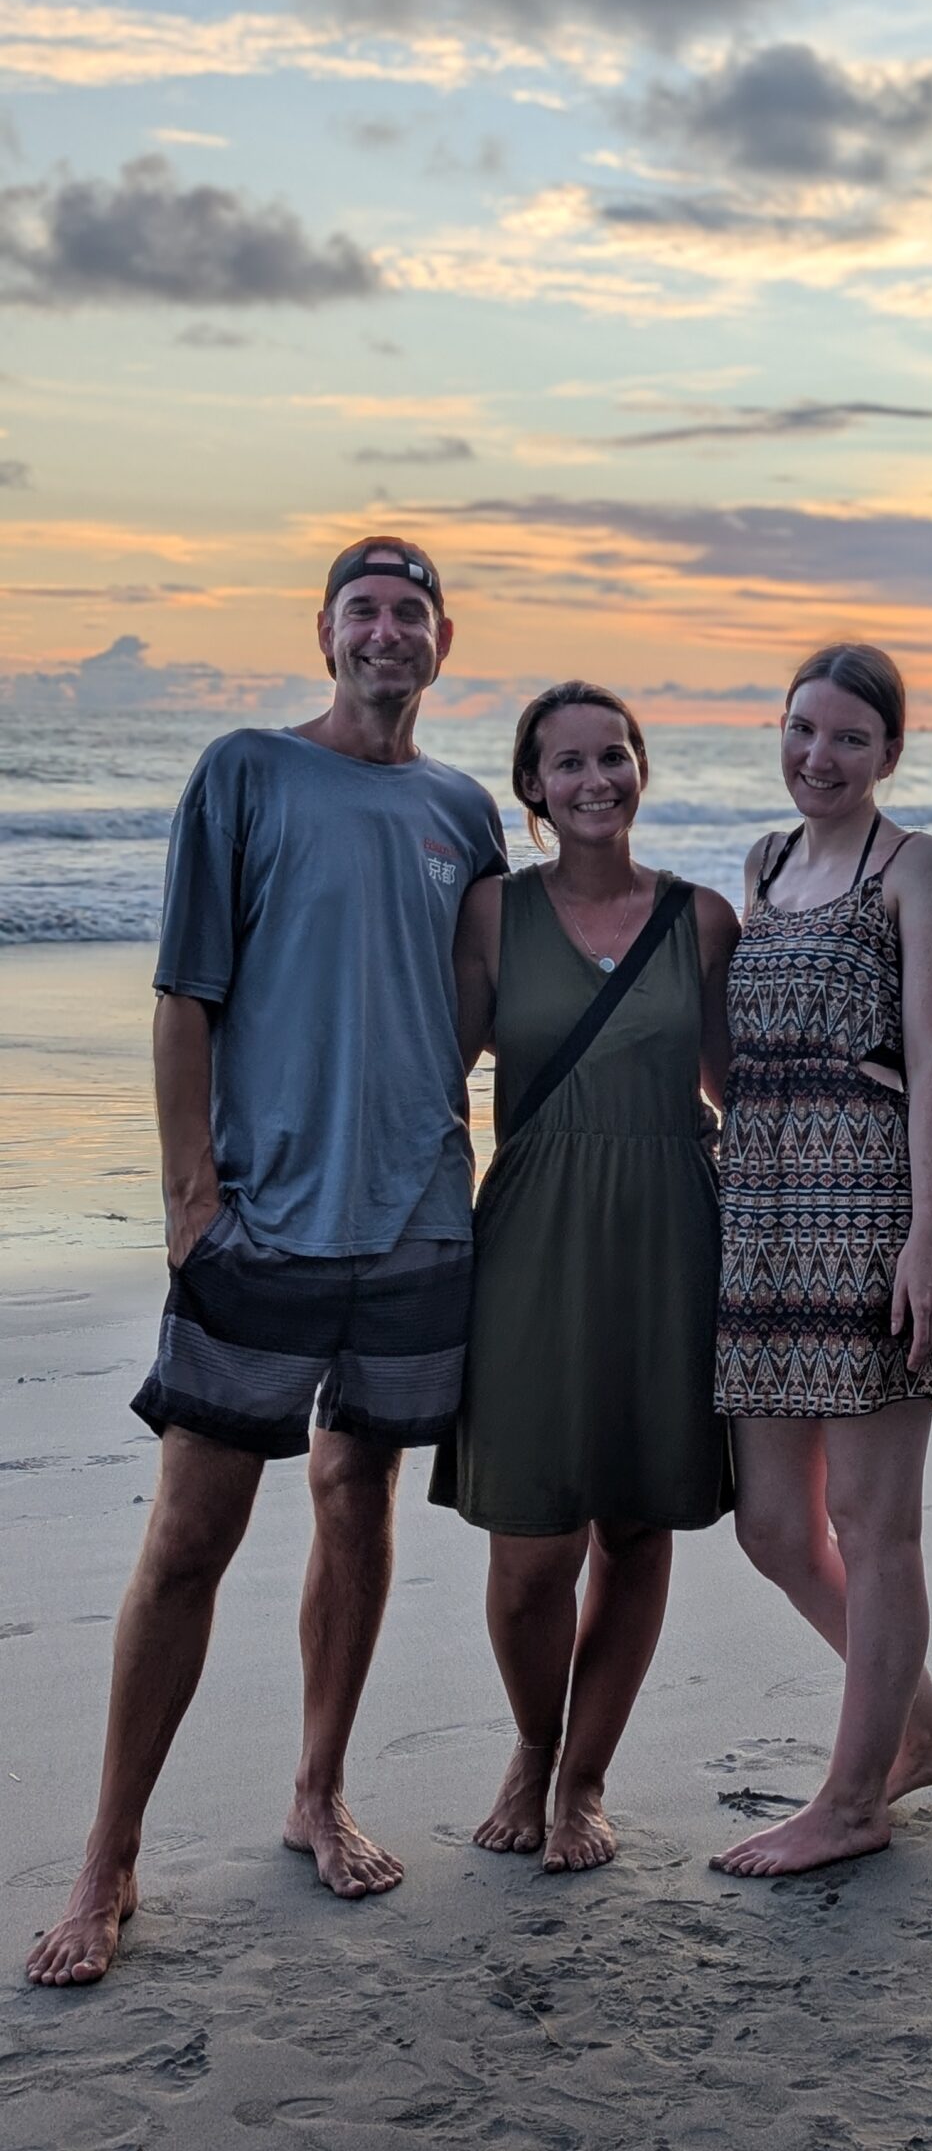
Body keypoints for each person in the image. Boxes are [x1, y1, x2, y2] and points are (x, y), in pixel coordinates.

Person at [26, 538, 507, 1988]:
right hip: (262, 1222)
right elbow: (184, 995)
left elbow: (478, 1003)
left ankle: (316, 1791)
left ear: (442, 642)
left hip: (415, 1222)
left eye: (409, 612)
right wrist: (190, 1197)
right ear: (324, 633)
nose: (386, 631)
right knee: (190, 1538)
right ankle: (108, 1860)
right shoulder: (244, 772)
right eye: (364, 610)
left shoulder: (464, 809)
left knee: (359, 1500)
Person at [430, 684, 737, 1871]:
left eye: (613, 755)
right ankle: (531, 1742)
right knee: (529, 1552)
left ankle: (584, 1779)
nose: (595, 779)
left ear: (640, 768)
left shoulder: (701, 919)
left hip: (670, 1239)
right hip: (530, 1241)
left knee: (637, 1527)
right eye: (568, 763)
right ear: (532, 787)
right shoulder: (491, 913)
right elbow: (435, 1072)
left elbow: (739, 1092)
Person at [711, 643, 932, 1877]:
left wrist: (929, 1234)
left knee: (872, 1524)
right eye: (801, 728)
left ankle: (854, 1797)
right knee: (773, 1526)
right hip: (761, 1221)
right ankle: (919, 1728)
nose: (818, 756)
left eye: (849, 738)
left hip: (869, 1214)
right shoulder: (762, 864)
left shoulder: (910, 867)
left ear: (889, 754)